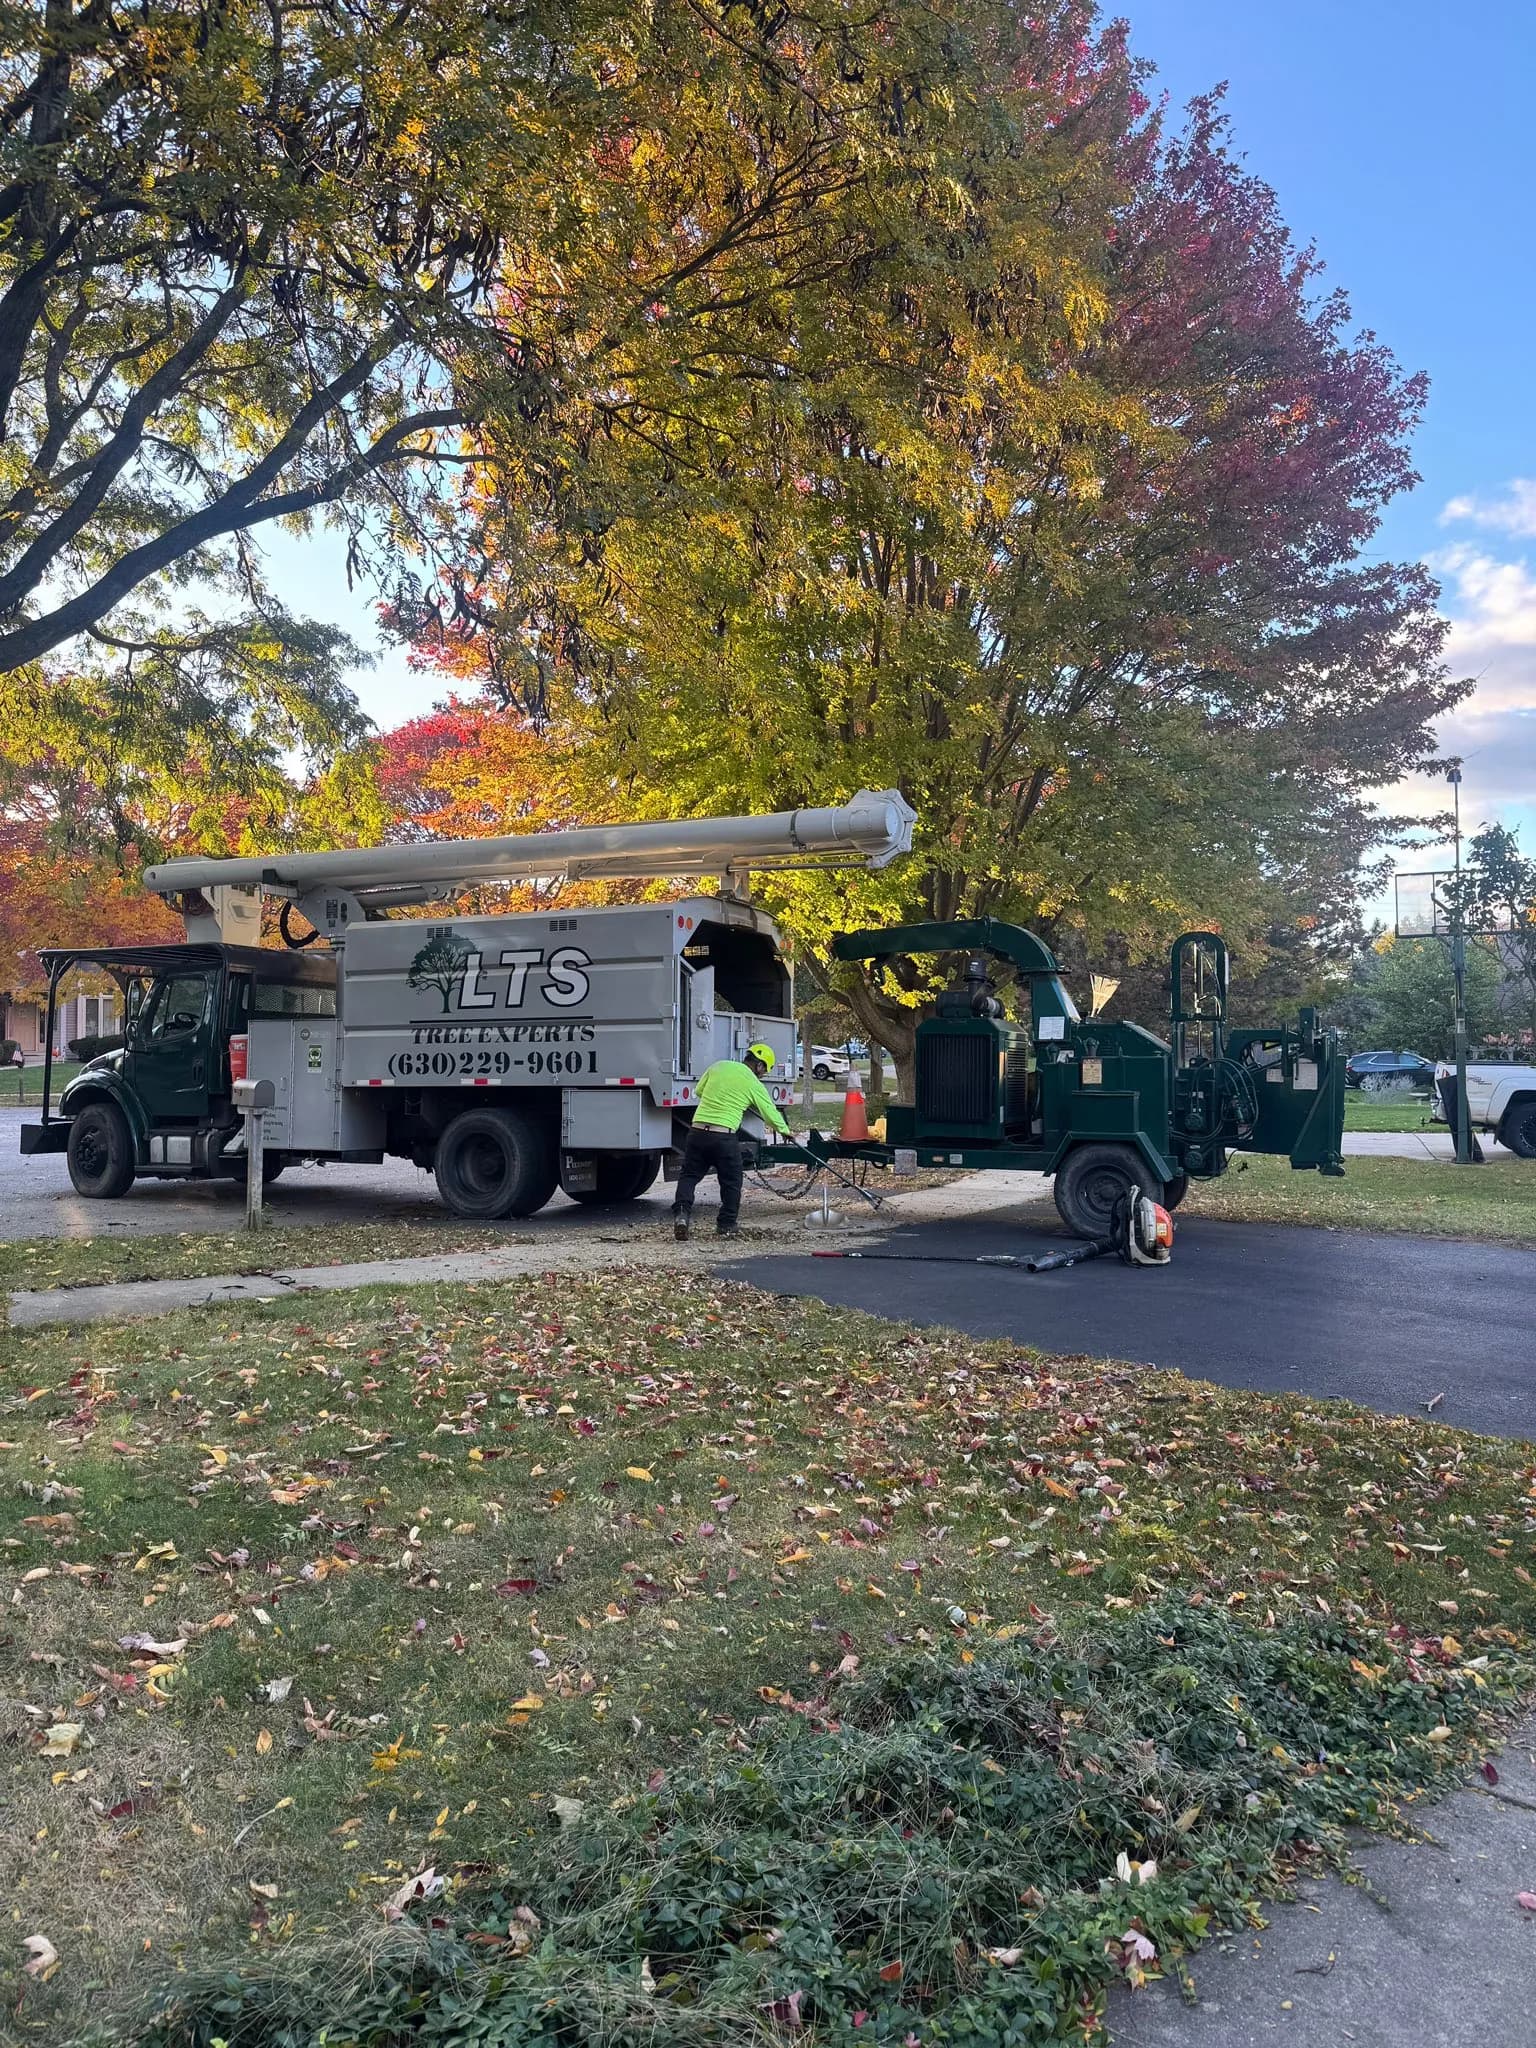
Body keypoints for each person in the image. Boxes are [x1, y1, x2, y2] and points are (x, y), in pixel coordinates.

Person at [672, 1041, 791, 1240]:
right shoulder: (753, 1082)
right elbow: (769, 1112)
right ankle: (726, 1224)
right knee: (732, 1181)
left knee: (689, 1176)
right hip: (723, 1136)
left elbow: (699, 1091)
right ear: (759, 1065)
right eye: (764, 1071)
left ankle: (682, 1215)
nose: (762, 1075)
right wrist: (785, 1131)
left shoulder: (718, 1066)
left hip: (697, 1132)